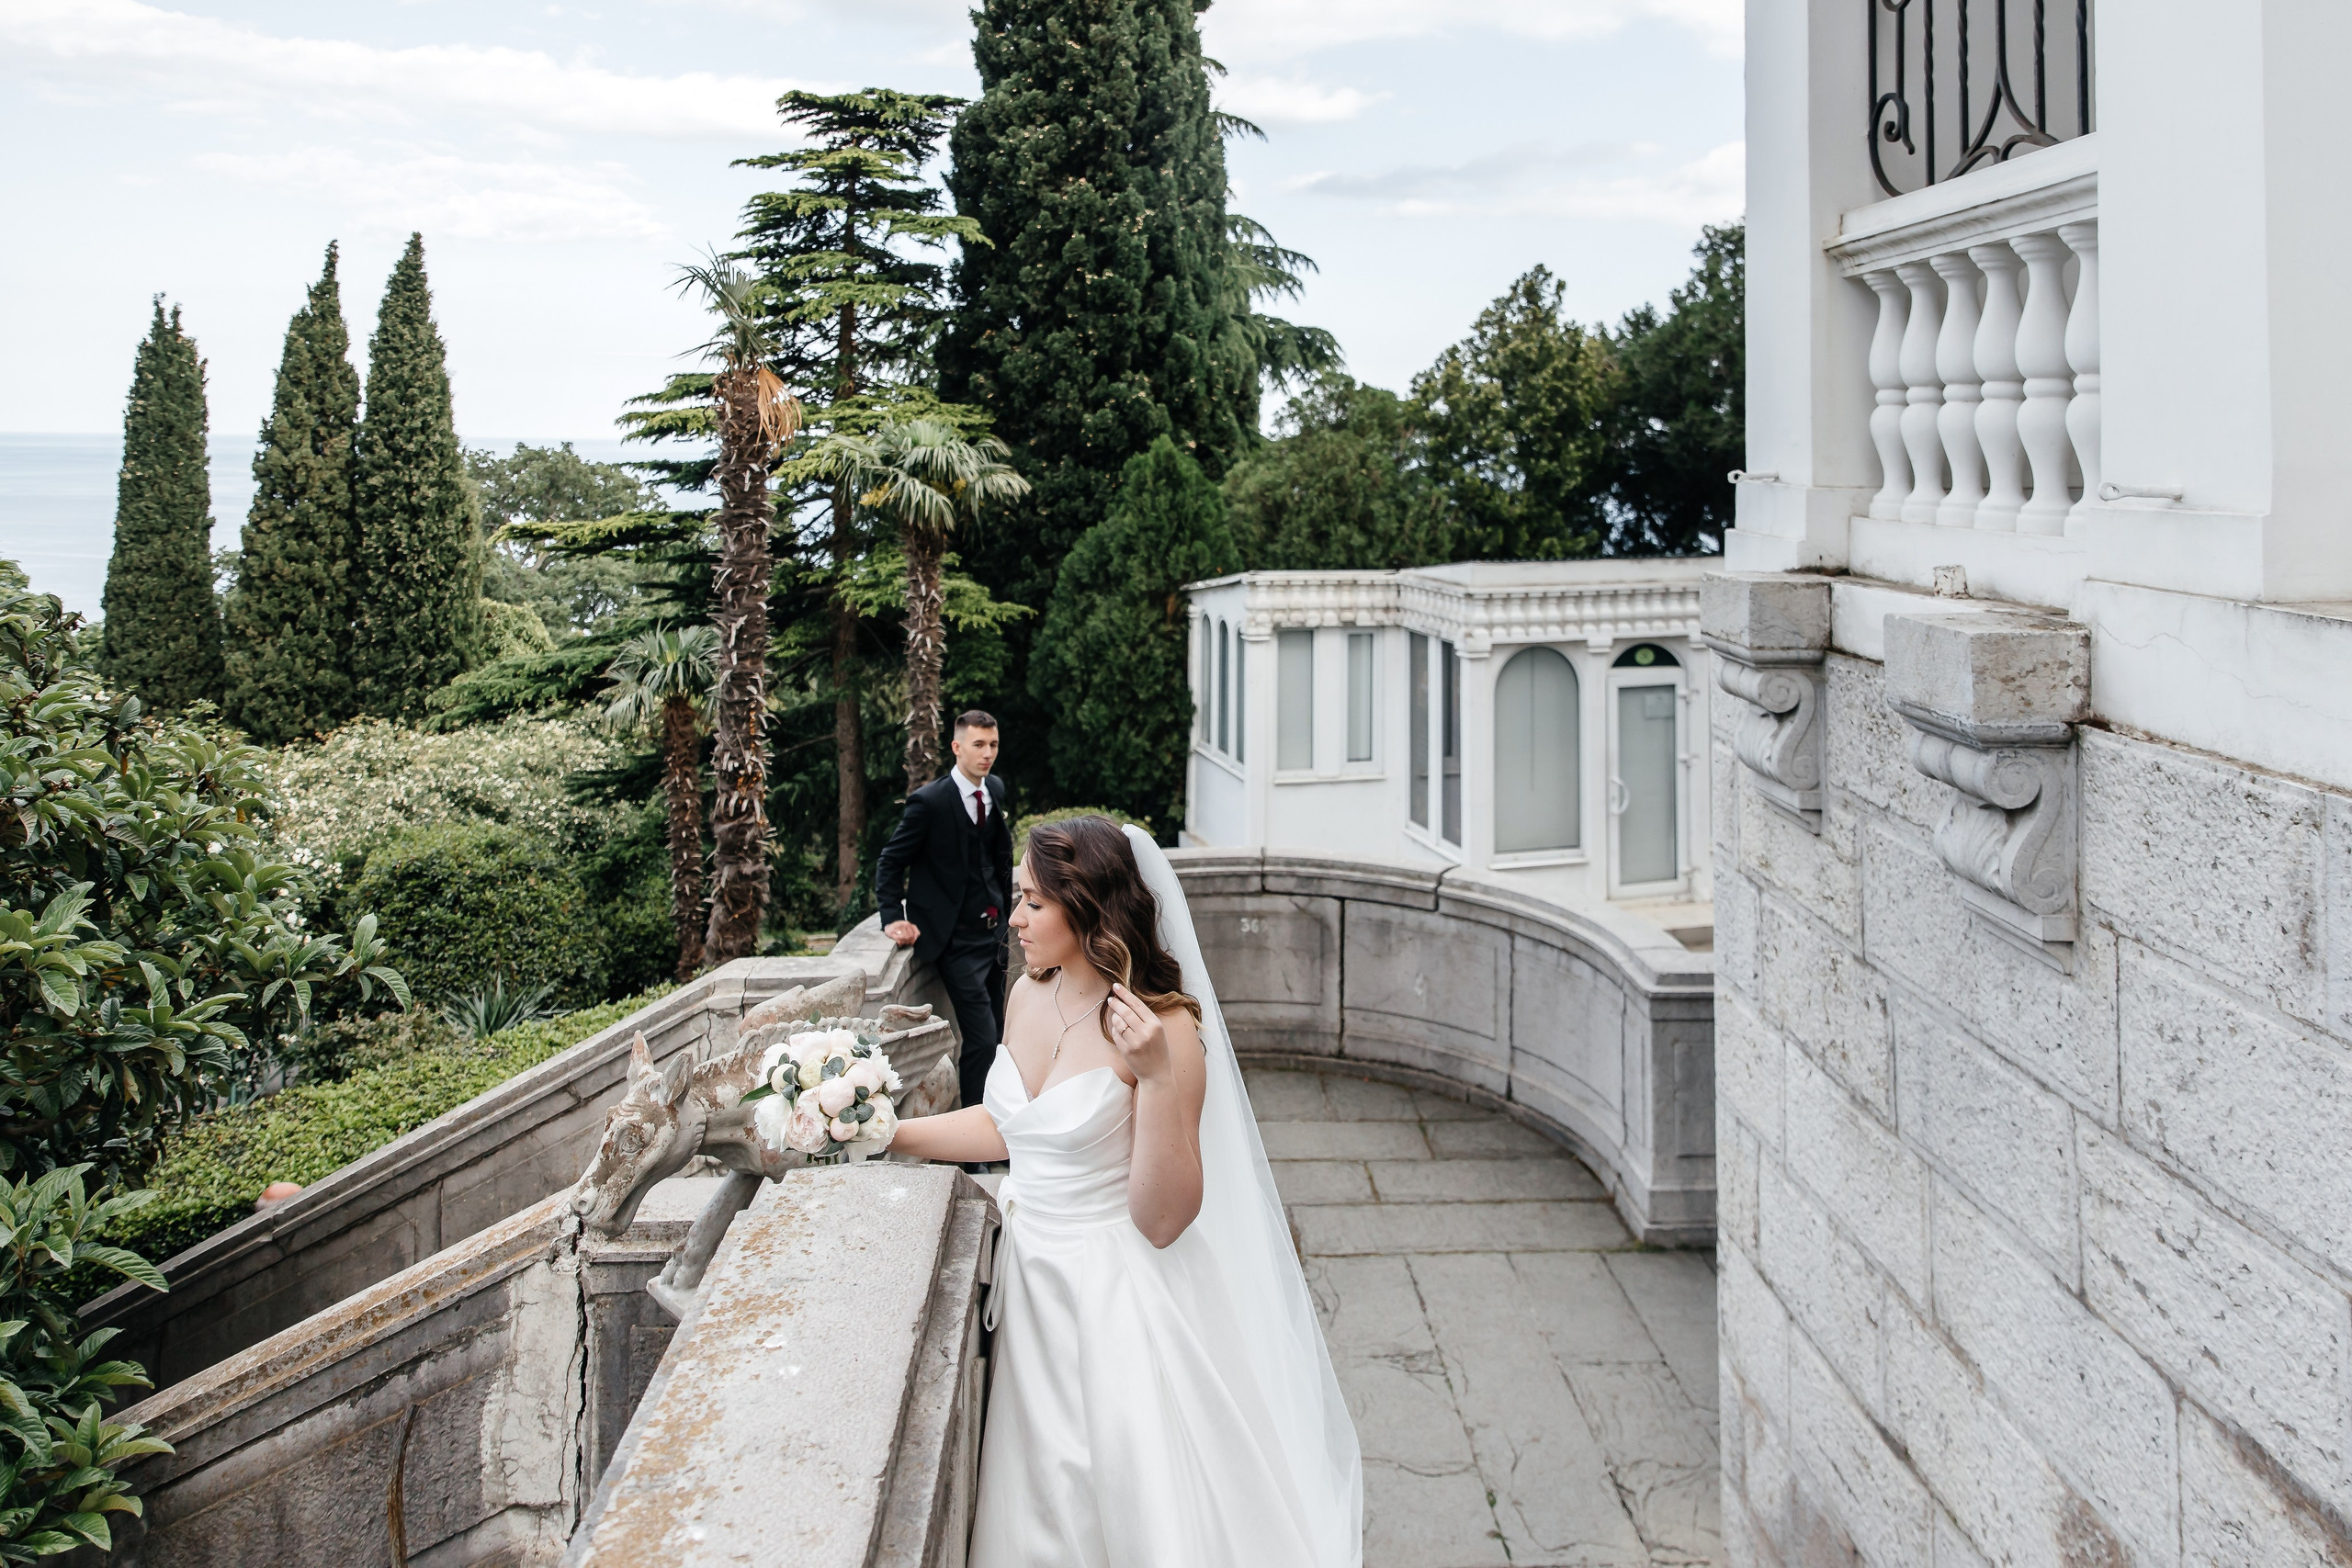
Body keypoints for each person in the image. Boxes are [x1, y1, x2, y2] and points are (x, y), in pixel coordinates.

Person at [887, 817, 1363, 1568]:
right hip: (1030, 1286)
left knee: (1123, 1499)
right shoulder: (1028, 995)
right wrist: (886, 1133)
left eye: (1033, 902)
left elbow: (1164, 1217)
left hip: (1115, 1301)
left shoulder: (1164, 1028)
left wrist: (1157, 1075)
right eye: (1018, 897)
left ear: (1087, 907)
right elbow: (1012, 1127)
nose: (1014, 919)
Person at [876, 710, 1014, 1113]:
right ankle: (975, 1126)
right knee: (981, 1038)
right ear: (956, 747)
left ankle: (997, 1115)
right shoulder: (929, 802)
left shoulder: (994, 790)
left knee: (999, 1033)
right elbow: (890, 861)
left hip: (995, 933)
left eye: (993, 745)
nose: (987, 754)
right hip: (954, 939)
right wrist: (892, 917)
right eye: (978, 744)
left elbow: (995, 857)